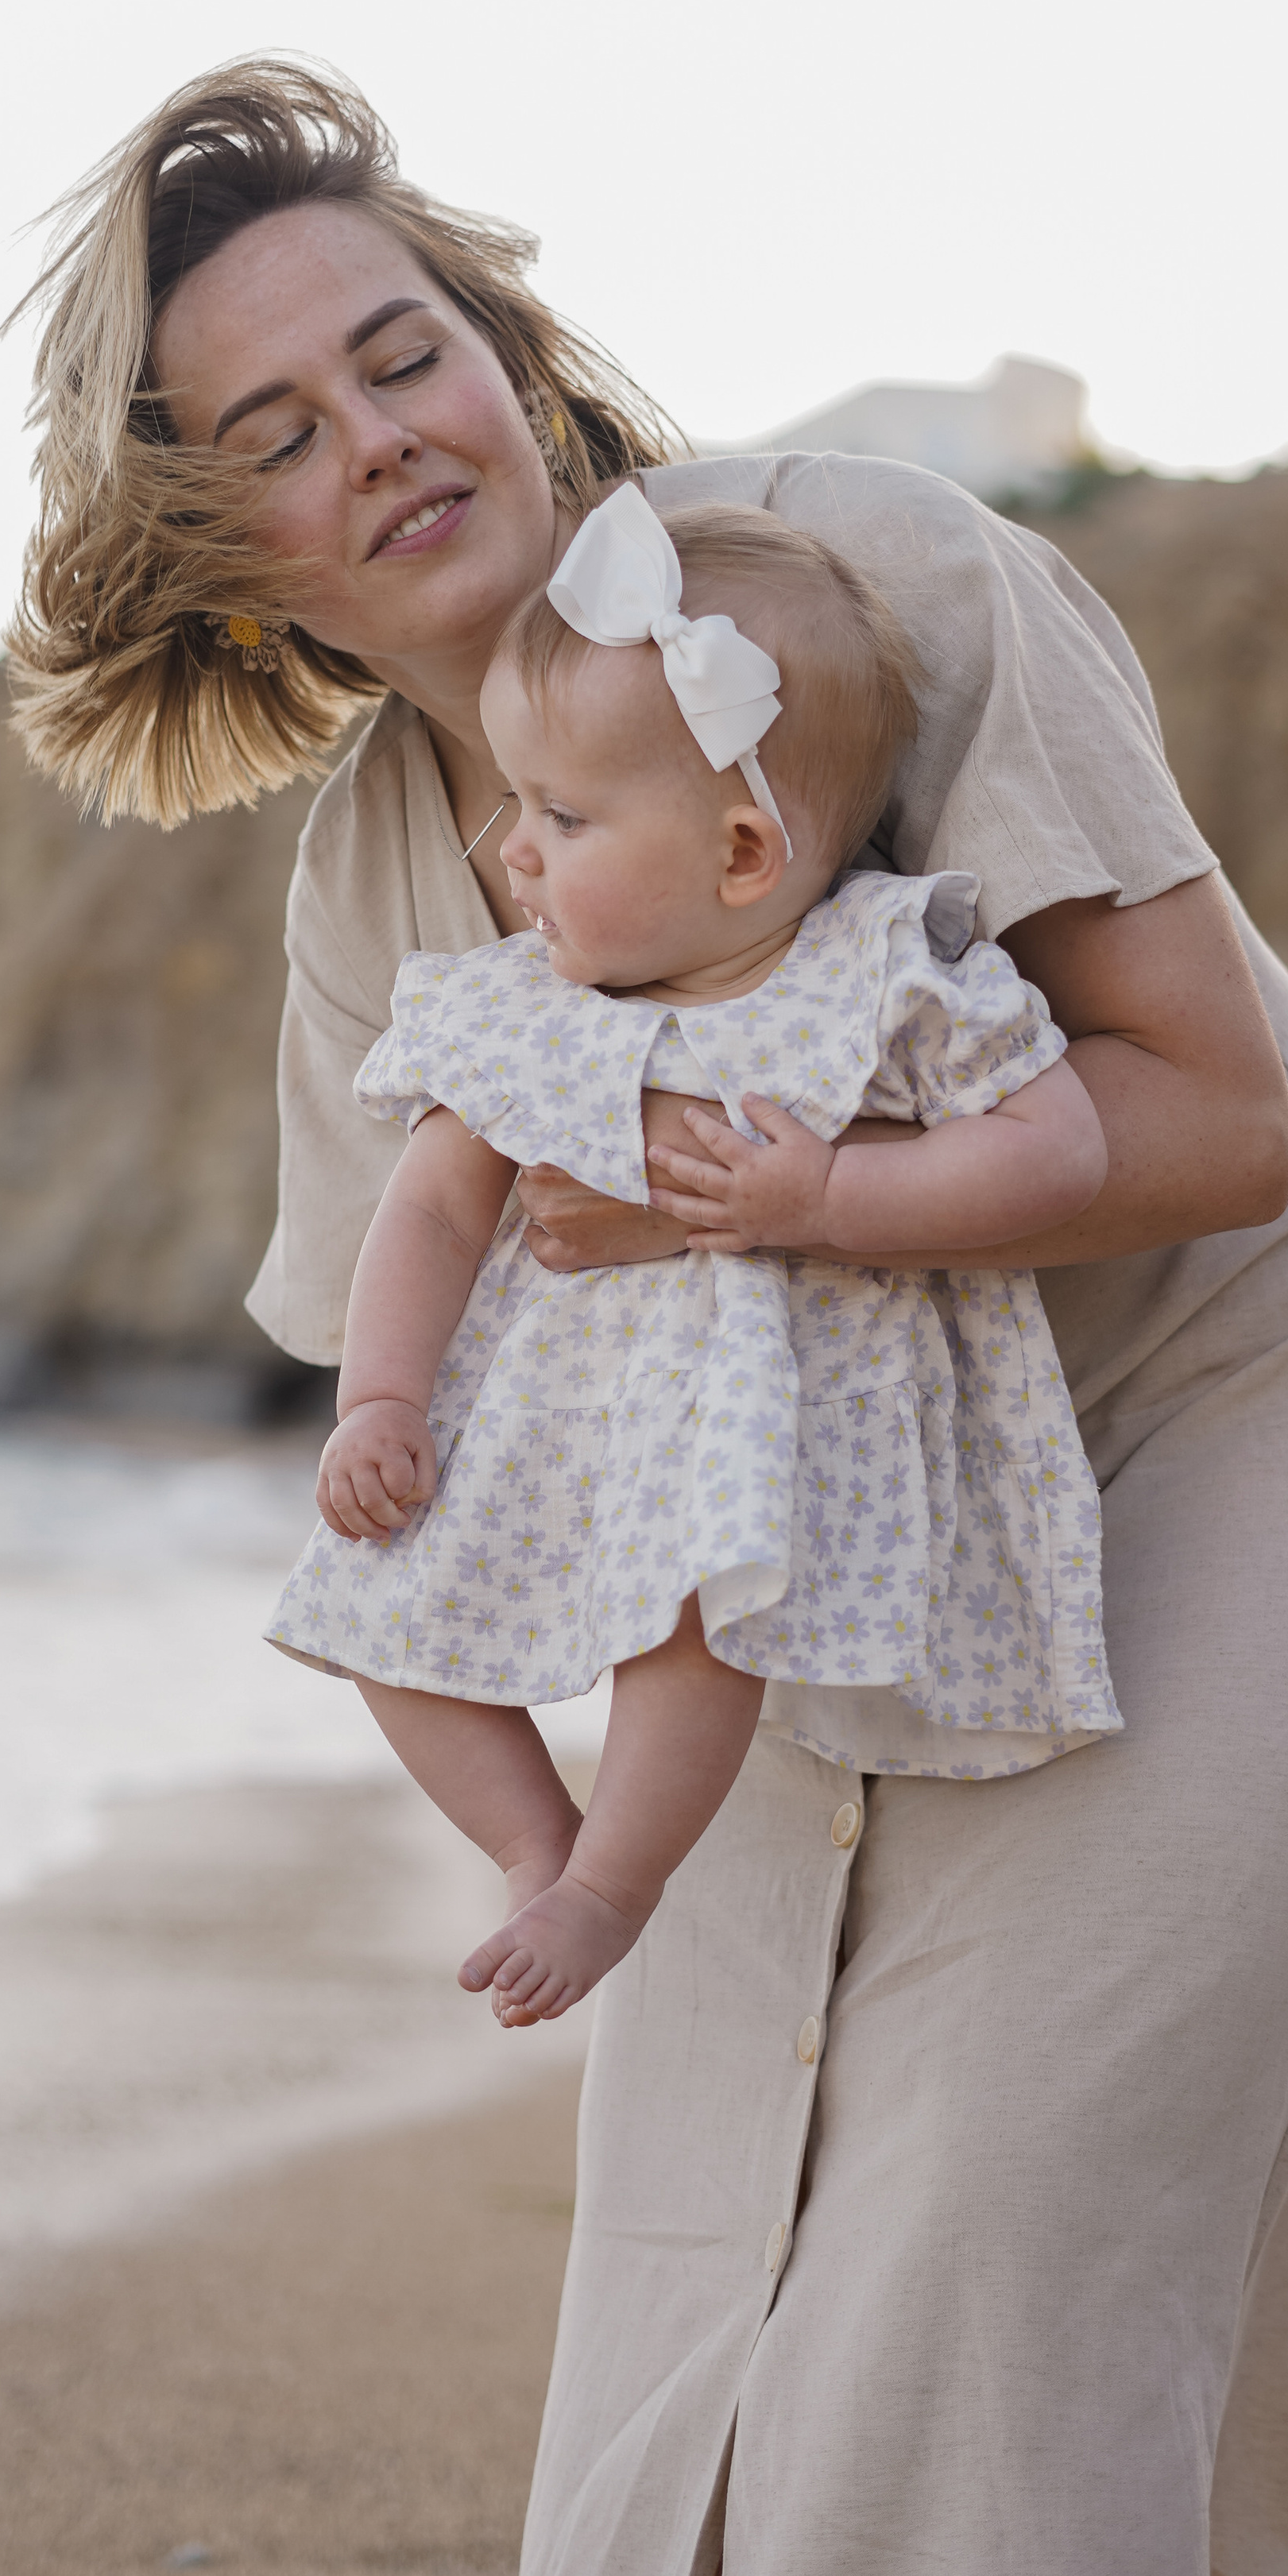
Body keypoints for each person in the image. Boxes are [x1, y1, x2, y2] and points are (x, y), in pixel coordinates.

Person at [4, 60, 1288, 2576]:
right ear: (238, 557)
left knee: (977, 2239)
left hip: (1231, 1415)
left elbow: (1218, 1122)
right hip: (808, 1513)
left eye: (403, 348)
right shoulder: (378, 888)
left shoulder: (859, 582)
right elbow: (435, 1362)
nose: (385, 440)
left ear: (514, 356)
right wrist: (511, 1739)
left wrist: (754, 1197)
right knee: (704, 2256)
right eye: (278, 435)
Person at [268, 489, 1116, 2025]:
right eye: (522, 807)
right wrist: (382, 1402)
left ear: (740, 851)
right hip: (542, 1414)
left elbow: (1058, 1152)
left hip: (751, 1432)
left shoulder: (878, 974)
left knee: (686, 1615)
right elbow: (435, 1207)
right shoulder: (521, 1001)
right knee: (373, 1597)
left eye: (564, 818)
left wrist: (835, 1202)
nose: (514, 855)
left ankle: (611, 1882)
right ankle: (532, 1841)